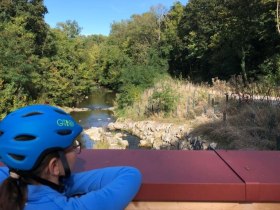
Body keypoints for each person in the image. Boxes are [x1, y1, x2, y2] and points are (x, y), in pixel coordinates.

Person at [0, 104, 142, 210]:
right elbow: (130, 175)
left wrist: (55, 182)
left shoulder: (6, 178)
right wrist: (62, 184)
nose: (77, 150)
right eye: (73, 146)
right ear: (54, 166)